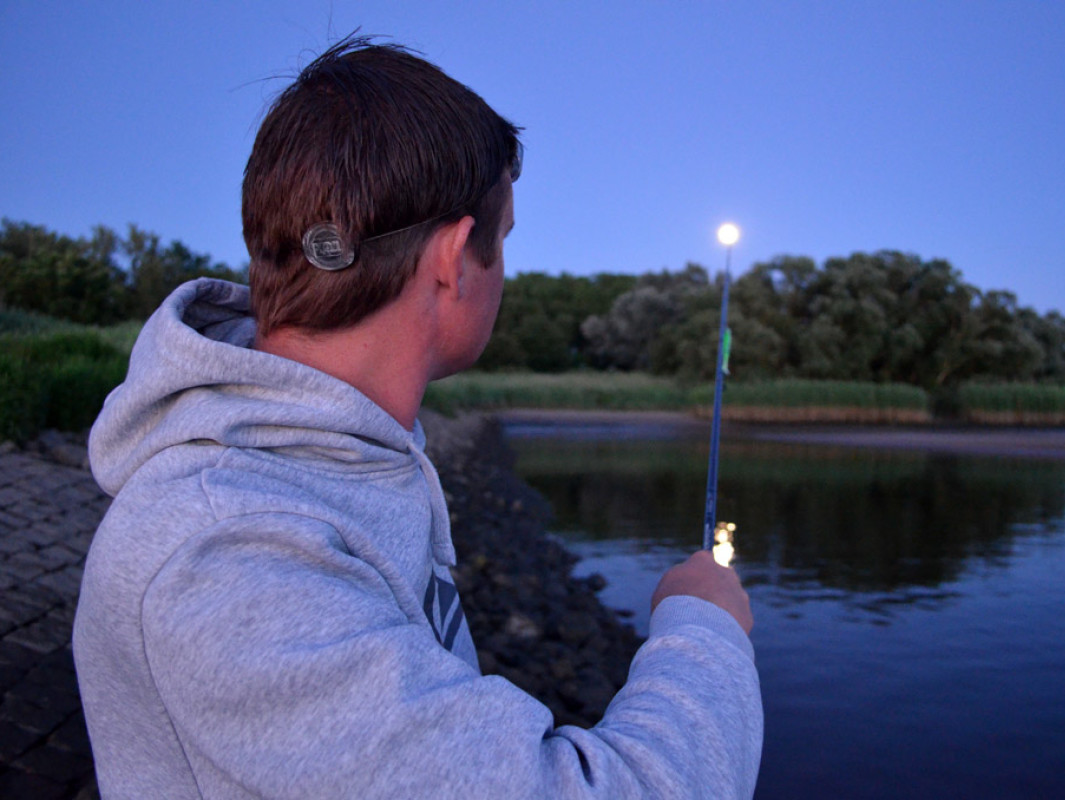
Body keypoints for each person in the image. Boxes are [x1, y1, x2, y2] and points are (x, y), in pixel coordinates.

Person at [73, 38, 762, 798]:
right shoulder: (224, 555)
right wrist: (704, 626)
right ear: (453, 256)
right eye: (502, 243)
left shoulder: (343, 455)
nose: (503, 273)